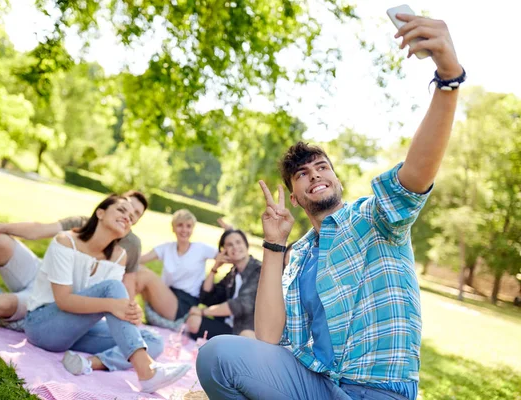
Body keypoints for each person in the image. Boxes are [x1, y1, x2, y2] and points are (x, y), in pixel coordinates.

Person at [197, 13, 465, 400]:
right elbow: (269, 336)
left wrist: (448, 81)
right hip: (315, 383)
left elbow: (418, 171)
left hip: (376, 390)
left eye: (322, 167)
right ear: (294, 196)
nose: (315, 175)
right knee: (217, 355)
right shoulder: (300, 254)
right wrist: (274, 245)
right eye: (302, 174)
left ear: (336, 179)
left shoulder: (376, 218)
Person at [23, 194, 190, 393]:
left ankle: (87, 363)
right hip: (43, 326)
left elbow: (117, 303)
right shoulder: (66, 241)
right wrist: (113, 305)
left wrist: (130, 310)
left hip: (79, 330)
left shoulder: (120, 256)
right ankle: (147, 372)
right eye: (121, 210)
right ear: (100, 213)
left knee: (153, 340)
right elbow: (64, 300)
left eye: (131, 216)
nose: (127, 217)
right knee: (112, 288)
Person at [0, 191, 148, 327]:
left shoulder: (129, 247)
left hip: (53, 302)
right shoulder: (82, 222)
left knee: (1, 304)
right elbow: (38, 230)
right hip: (41, 274)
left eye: (135, 215)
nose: (128, 215)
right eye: (124, 207)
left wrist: (124, 313)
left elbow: (124, 289)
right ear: (107, 208)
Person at [136, 209, 218, 325]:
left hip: (184, 304)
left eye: (188, 226)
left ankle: (124, 310)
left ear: (192, 229)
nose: (184, 230)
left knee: (146, 275)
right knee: (138, 269)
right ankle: (124, 309)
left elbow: (226, 255)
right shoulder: (166, 248)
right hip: (166, 295)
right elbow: (139, 260)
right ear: (173, 228)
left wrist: (230, 232)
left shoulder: (201, 249)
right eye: (180, 225)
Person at [184, 229, 261, 340]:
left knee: (195, 321)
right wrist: (215, 268)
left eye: (238, 242)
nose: (235, 247)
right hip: (228, 325)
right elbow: (207, 297)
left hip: (246, 331)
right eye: (229, 245)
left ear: (246, 245)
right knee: (193, 321)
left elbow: (241, 305)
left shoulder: (259, 270)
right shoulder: (233, 273)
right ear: (224, 251)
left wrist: (202, 312)